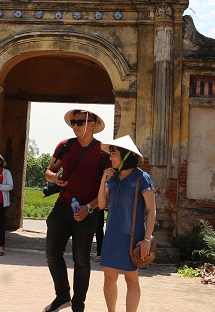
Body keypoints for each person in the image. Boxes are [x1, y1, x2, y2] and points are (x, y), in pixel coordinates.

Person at [43, 108, 110, 312]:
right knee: (52, 254)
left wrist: (88, 207)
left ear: (92, 123)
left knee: (81, 260)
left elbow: (107, 193)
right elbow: (49, 171)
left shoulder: (104, 152)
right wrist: (54, 178)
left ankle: (78, 305)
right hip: (62, 207)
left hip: (89, 212)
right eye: (73, 122)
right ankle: (62, 296)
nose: (75, 126)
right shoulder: (65, 146)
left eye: (80, 122)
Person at [97, 135, 156, 312]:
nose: (110, 157)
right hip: (112, 236)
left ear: (125, 156)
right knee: (109, 279)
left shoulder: (142, 178)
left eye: (113, 154)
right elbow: (101, 204)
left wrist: (146, 239)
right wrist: (103, 180)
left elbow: (151, 210)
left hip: (133, 237)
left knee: (131, 280)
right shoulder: (112, 178)